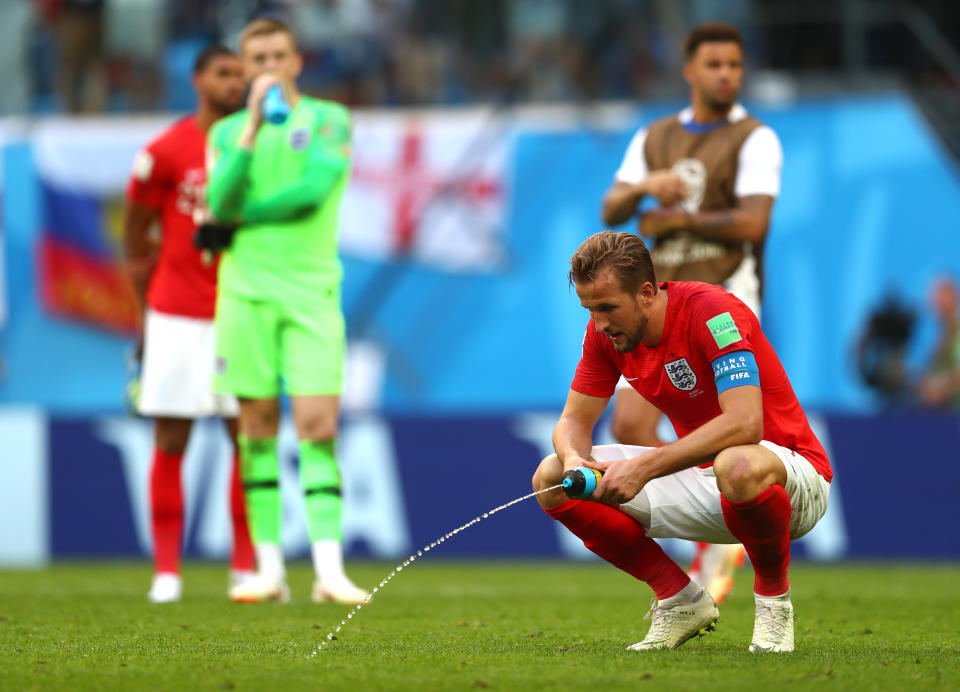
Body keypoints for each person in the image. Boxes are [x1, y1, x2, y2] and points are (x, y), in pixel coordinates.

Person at [533, 231, 831, 652]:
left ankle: (773, 604)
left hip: (792, 477)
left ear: (647, 294)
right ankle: (679, 600)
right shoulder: (606, 334)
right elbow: (572, 422)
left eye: (607, 308)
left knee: (737, 464)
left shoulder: (713, 312)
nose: (599, 323)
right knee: (550, 478)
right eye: (589, 309)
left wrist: (645, 466)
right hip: (709, 483)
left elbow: (746, 423)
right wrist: (573, 460)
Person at [600, 22, 783, 601]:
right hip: (662, 304)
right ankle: (712, 537)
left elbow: (753, 223)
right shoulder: (654, 138)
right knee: (630, 426)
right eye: (714, 64)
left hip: (726, 296)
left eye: (734, 64)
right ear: (690, 71)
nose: (726, 74)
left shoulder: (755, 137)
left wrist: (674, 217)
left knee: (719, 424)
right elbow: (612, 206)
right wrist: (644, 188)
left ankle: (723, 541)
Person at [205, 17, 368, 605]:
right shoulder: (227, 132)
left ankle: (329, 570)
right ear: (245, 68)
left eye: (278, 55)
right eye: (257, 58)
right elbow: (217, 196)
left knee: (318, 427)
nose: (268, 66)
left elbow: (312, 191)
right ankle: (269, 569)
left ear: (296, 61)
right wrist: (249, 129)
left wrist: (240, 217)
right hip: (244, 292)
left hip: (311, 292)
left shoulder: (329, 118)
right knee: (255, 429)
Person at [124, 44, 255, 603]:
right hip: (176, 312)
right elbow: (135, 242)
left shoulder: (257, 150)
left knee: (247, 440)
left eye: (240, 76)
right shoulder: (165, 151)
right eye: (223, 74)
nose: (234, 83)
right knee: (171, 439)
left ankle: (246, 568)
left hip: (239, 311)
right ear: (198, 79)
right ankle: (167, 572)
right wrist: (145, 319)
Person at [918, 276, 960, 409]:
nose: (934, 301)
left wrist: (939, 389)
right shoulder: (938, 330)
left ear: (953, 296)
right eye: (933, 296)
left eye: (940, 295)